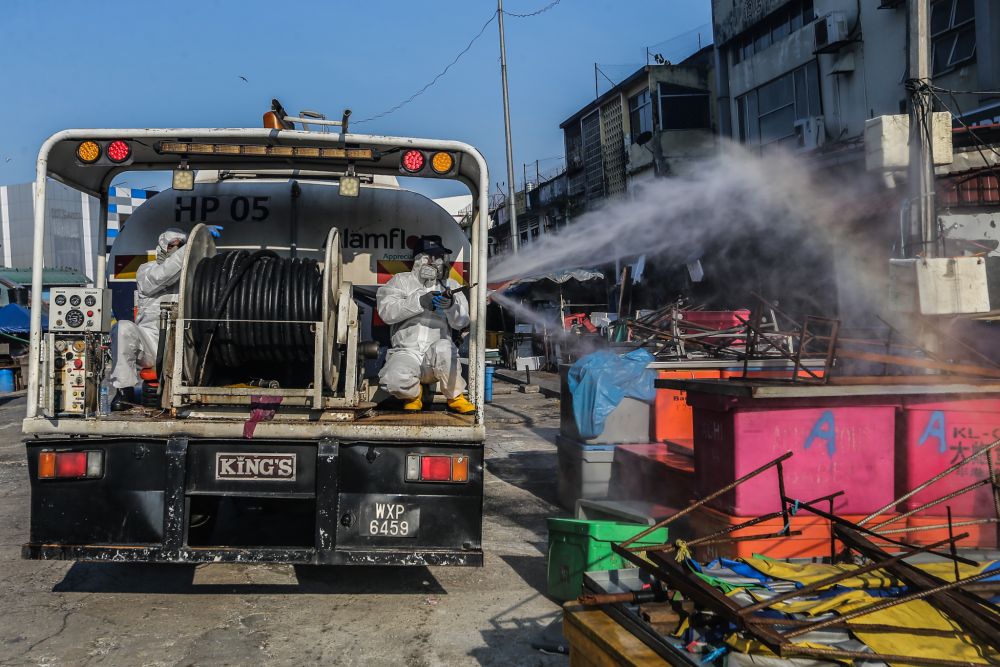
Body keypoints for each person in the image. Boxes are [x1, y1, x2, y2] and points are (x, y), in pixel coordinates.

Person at [376, 237, 475, 414]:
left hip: (437, 355)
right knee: (392, 379)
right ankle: (413, 396)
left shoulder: (451, 286)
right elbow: (386, 312)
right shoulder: (400, 281)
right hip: (407, 352)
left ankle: (455, 397)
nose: (438, 262)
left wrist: (451, 307)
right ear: (419, 259)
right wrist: (419, 302)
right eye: (433, 257)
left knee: (445, 348)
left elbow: (462, 322)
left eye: (440, 257)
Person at [109, 228, 187, 409]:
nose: (178, 249)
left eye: (181, 245)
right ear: (162, 246)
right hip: (151, 344)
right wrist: (192, 245)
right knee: (122, 328)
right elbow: (163, 275)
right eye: (173, 245)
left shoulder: (190, 275)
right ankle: (124, 392)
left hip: (184, 345)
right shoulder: (146, 270)